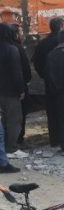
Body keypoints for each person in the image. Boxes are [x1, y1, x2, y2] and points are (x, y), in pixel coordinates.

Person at [33, 17, 64, 147]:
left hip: (50, 82)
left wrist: (44, 75)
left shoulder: (43, 44)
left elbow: (36, 62)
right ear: (61, 26)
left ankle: (54, 139)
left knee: (53, 111)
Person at [0, 24, 26, 157]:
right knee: (14, 120)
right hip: (11, 92)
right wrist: (21, 90)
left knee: (2, 121)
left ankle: (3, 147)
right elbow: (17, 73)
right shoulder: (12, 49)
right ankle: (12, 148)